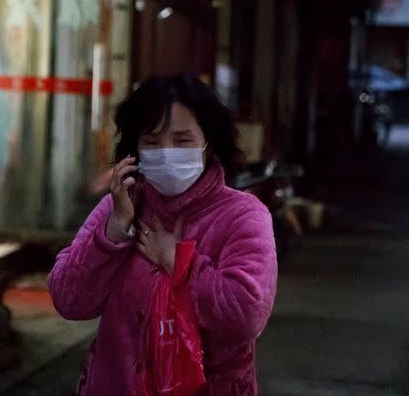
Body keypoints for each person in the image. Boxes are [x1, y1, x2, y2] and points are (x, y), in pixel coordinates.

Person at [48, 73, 278, 395]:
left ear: (208, 143)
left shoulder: (242, 216)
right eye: (152, 142)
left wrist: (179, 262)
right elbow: (68, 299)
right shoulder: (121, 205)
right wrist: (115, 230)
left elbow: (245, 316)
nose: (166, 152)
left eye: (182, 141)